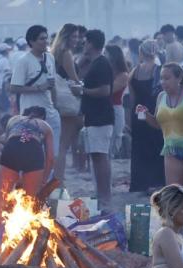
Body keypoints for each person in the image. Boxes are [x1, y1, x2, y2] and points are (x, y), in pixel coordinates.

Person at [141, 63, 183, 236]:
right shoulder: (161, 97)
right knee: (174, 192)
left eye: (167, 78)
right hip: (171, 148)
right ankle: (177, 230)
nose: (163, 82)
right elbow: (158, 124)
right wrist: (146, 115)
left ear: (179, 78)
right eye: (161, 78)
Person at [71, 30, 115, 210]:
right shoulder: (95, 63)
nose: (83, 44)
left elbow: (105, 90)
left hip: (101, 116)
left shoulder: (102, 64)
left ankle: (105, 194)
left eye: (85, 41)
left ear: (91, 43)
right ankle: (102, 193)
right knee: (96, 156)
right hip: (95, 116)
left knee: (100, 156)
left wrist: (83, 91)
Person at [10, 25, 61, 159]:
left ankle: (48, 179)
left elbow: (53, 84)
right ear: (32, 42)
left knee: (52, 153)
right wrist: (38, 88)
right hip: (30, 115)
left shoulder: (50, 58)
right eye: (42, 39)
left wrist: (56, 106)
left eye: (46, 38)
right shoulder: (24, 61)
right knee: (29, 150)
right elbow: (14, 87)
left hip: (50, 113)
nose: (46, 41)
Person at [0, 105, 55, 204]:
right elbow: (51, 159)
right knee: (29, 202)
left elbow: (6, 145)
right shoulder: (45, 125)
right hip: (33, 151)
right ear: (43, 118)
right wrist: (43, 181)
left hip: (12, 148)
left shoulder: (13, 120)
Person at [127, 40, 164, 193]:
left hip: (138, 114)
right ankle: (156, 181)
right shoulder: (158, 70)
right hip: (154, 114)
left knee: (139, 151)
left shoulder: (134, 71)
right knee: (156, 148)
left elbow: (132, 99)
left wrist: (130, 119)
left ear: (141, 53)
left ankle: (139, 183)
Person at [50, 23, 82, 183]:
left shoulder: (55, 52)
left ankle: (56, 178)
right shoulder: (67, 53)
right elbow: (73, 78)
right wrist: (83, 86)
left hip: (58, 100)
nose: (76, 39)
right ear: (67, 36)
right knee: (64, 144)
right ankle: (59, 179)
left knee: (60, 143)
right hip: (68, 102)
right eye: (74, 36)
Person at [105, 45, 129, 157]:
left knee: (114, 141)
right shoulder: (107, 71)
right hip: (105, 108)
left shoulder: (123, 75)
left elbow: (109, 90)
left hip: (115, 109)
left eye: (106, 53)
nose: (104, 55)